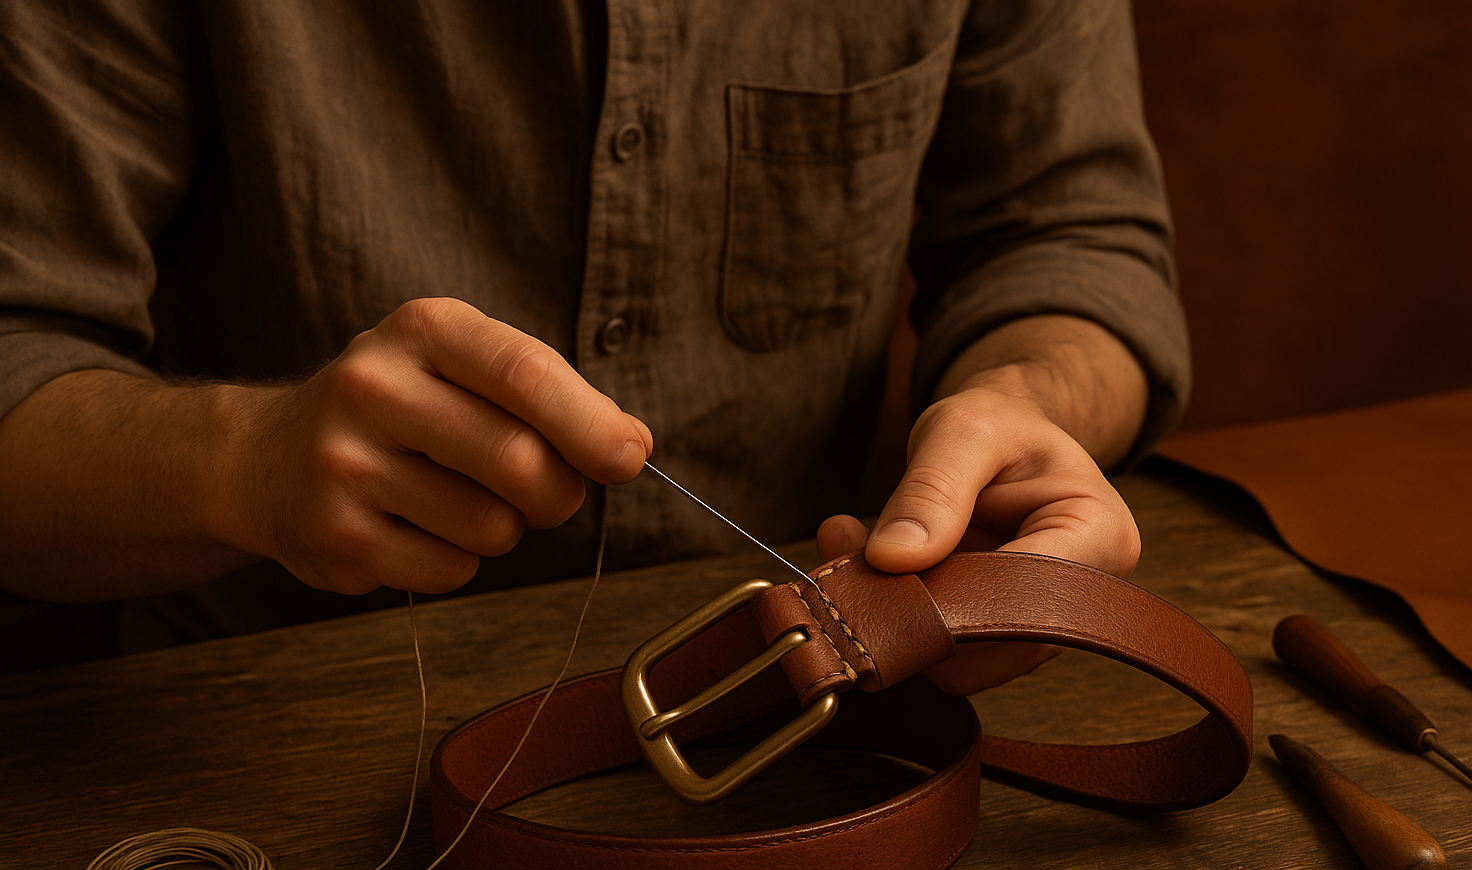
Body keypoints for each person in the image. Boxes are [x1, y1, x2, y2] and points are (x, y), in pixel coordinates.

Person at [0, 0, 1184, 686]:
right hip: (256, 710)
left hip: (814, 712)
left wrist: (1032, 396)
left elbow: (1073, 238)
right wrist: (244, 460)